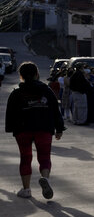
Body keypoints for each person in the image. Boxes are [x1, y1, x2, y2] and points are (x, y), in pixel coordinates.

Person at [6, 62, 63, 199]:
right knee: (44, 156)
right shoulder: (47, 91)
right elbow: (55, 110)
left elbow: (10, 113)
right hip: (44, 128)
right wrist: (59, 128)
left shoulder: (16, 93)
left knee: (25, 158)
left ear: (21, 76)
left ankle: (26, 190)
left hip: (22, 129)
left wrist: (11, 128)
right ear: (37, 74)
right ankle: (45, 179)